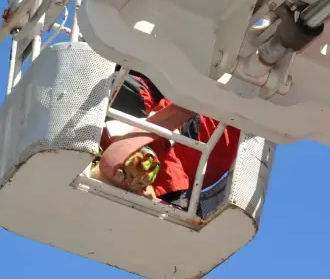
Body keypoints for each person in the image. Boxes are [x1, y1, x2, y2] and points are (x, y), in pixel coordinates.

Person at [99, 68, 241, 213]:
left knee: (119, 85)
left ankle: (136, 163)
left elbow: (186, 98)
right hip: (183, 167)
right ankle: (134, 165)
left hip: (191, 138)